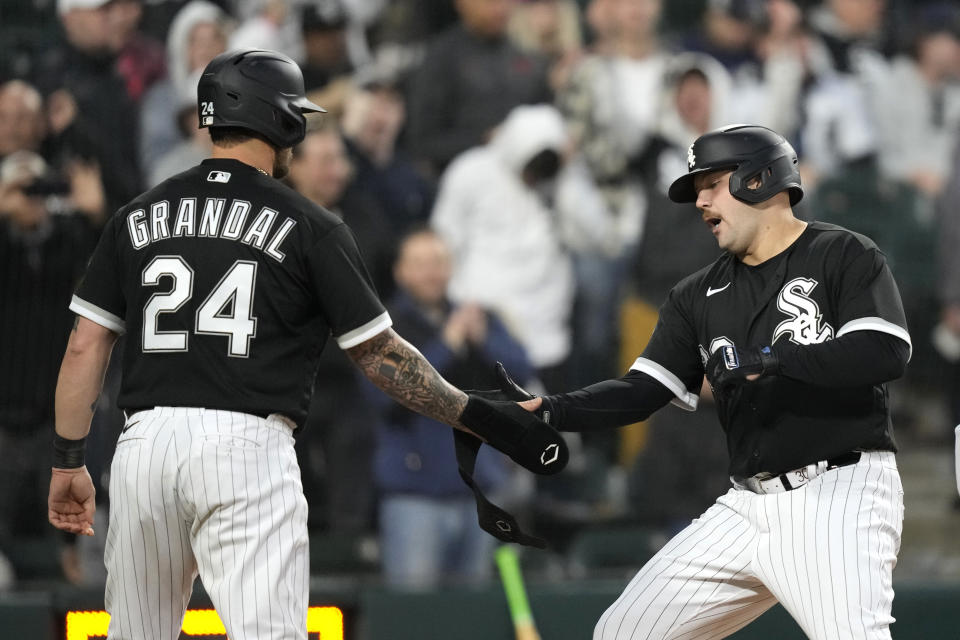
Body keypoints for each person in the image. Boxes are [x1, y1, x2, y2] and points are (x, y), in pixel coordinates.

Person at [46, 48, 562, 640]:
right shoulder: (309, 222)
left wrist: (67, 460)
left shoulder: (135, 215)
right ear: (279, 119)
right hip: (244, 447)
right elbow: (382, 357)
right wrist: (475, 414)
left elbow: (85, 345)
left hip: (143, 445)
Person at [499, 124, 911, 639]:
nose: (700, 201)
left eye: (711, 184)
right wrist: (552, 409)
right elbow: (642, 391)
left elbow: (885, 350)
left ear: (759, 181)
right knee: (622, 633)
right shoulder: (698, 293)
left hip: (838, 491)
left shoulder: (843, 253)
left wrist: (775, 360)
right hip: (746, 504)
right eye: (697, 191)